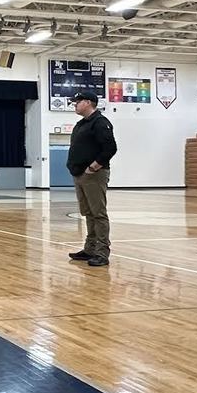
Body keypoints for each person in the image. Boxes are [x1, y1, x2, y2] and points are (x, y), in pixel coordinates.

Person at [66, 91, 118, 267]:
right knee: (88, 213)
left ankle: (102, 252)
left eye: (77, 102)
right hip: (80, 174)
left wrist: (93, 167)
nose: (75, 104)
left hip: (93, 175)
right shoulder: (81, 124)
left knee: (98, 214)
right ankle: (90, 249)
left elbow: (110, 148)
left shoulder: (100, 123)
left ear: (88, 102)